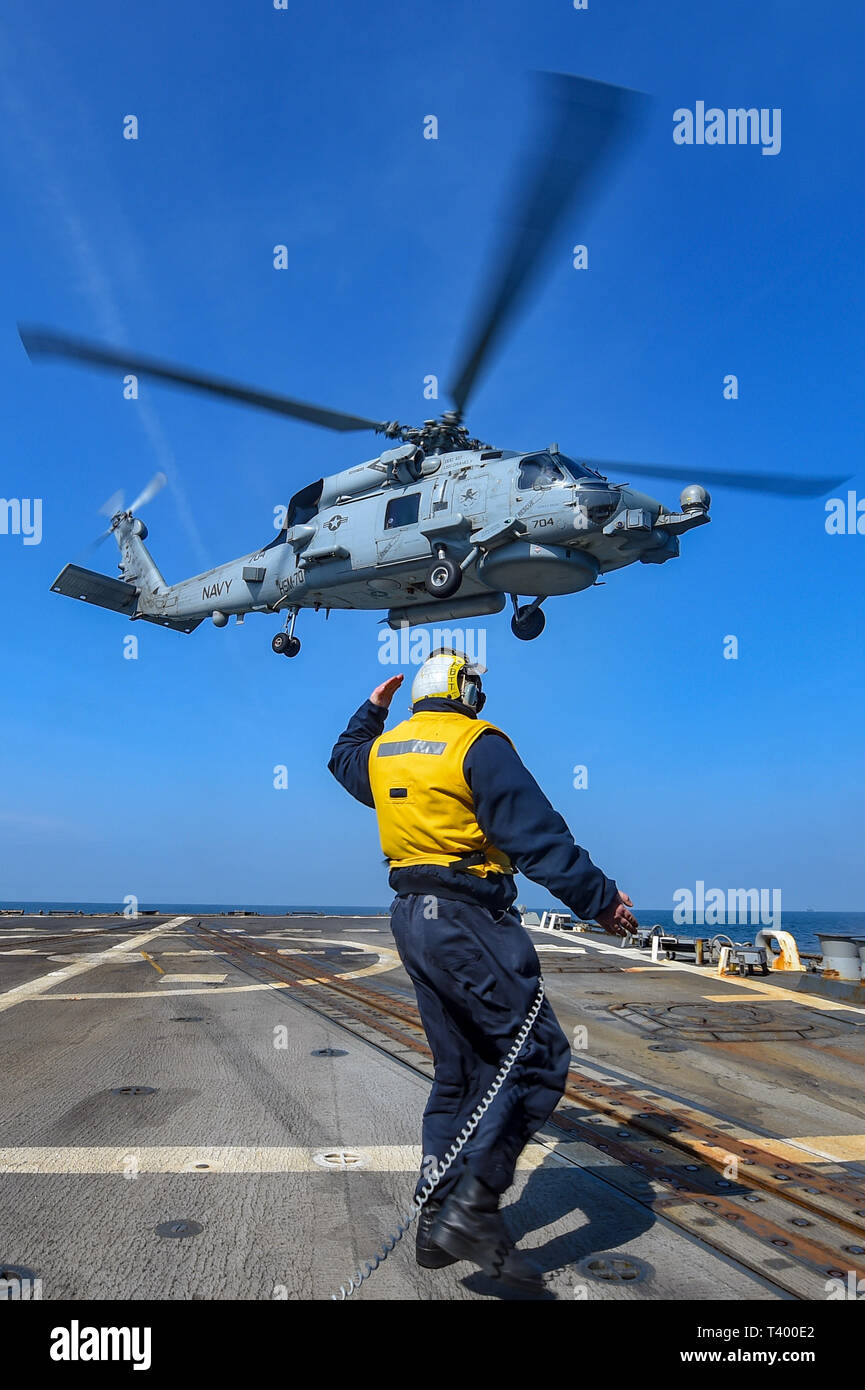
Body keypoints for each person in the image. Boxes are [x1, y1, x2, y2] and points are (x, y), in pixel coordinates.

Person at [328, 648, 637, 1292]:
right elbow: (538, 836)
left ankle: (435, 1222)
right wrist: (601, 900)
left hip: (411, 917)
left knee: (460, 1075)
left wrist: (371, 710)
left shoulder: (387, 753)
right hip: (470, 919)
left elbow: (344, 759)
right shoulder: (478, 743)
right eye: (477, 689)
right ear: (465, 690)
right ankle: (473, 1208)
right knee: (538, 1058)